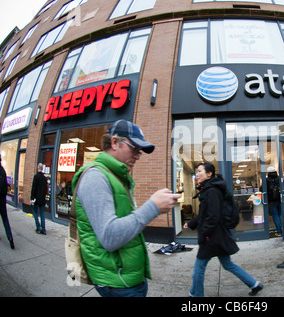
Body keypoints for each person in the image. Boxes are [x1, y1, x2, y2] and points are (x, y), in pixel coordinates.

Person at [72, 119, 181, 297]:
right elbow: (109, 237)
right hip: (118, 282)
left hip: (123, 276)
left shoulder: (115, 176)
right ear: (115, 142)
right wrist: (153, 207)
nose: (138, 156)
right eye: (134, 149)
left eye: (140, 152)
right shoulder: (96, 177)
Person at [184, 162, 263, 297]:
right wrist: (192, 223)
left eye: (200, 171)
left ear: (209, 174)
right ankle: (254, 284)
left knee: (198, 269)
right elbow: (205, 213)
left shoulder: (212, 191)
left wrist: (204, 233)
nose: (197, 174)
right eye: (197, 171)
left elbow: (213, 216)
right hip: (218, 236)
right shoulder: (209, 189)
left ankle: (196, 295)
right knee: (227, 265)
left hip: (212, 237)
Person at [0, 157, 14, 249]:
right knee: (5, 219)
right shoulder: (3, 171)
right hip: (2, 200)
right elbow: (6, 187)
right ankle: (10, 237)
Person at [31, 163, 48, 235]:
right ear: (42, 169)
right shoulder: (44, 178)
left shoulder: (36, 177)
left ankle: (38, 226)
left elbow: (34, 188)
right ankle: (43, 229)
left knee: (34, 212)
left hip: (36, 199)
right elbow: (45, 189)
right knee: (42, 214)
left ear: (38, 168)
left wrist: (32, 197)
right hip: (42, 199)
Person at [266, 166, 282, 236]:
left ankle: (279, 231)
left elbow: (262, 189)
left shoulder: (267, 180)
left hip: (272, 201)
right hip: (280, 199)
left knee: (275, 216)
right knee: (281, 215)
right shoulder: (279, 178)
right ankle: (283, 229)